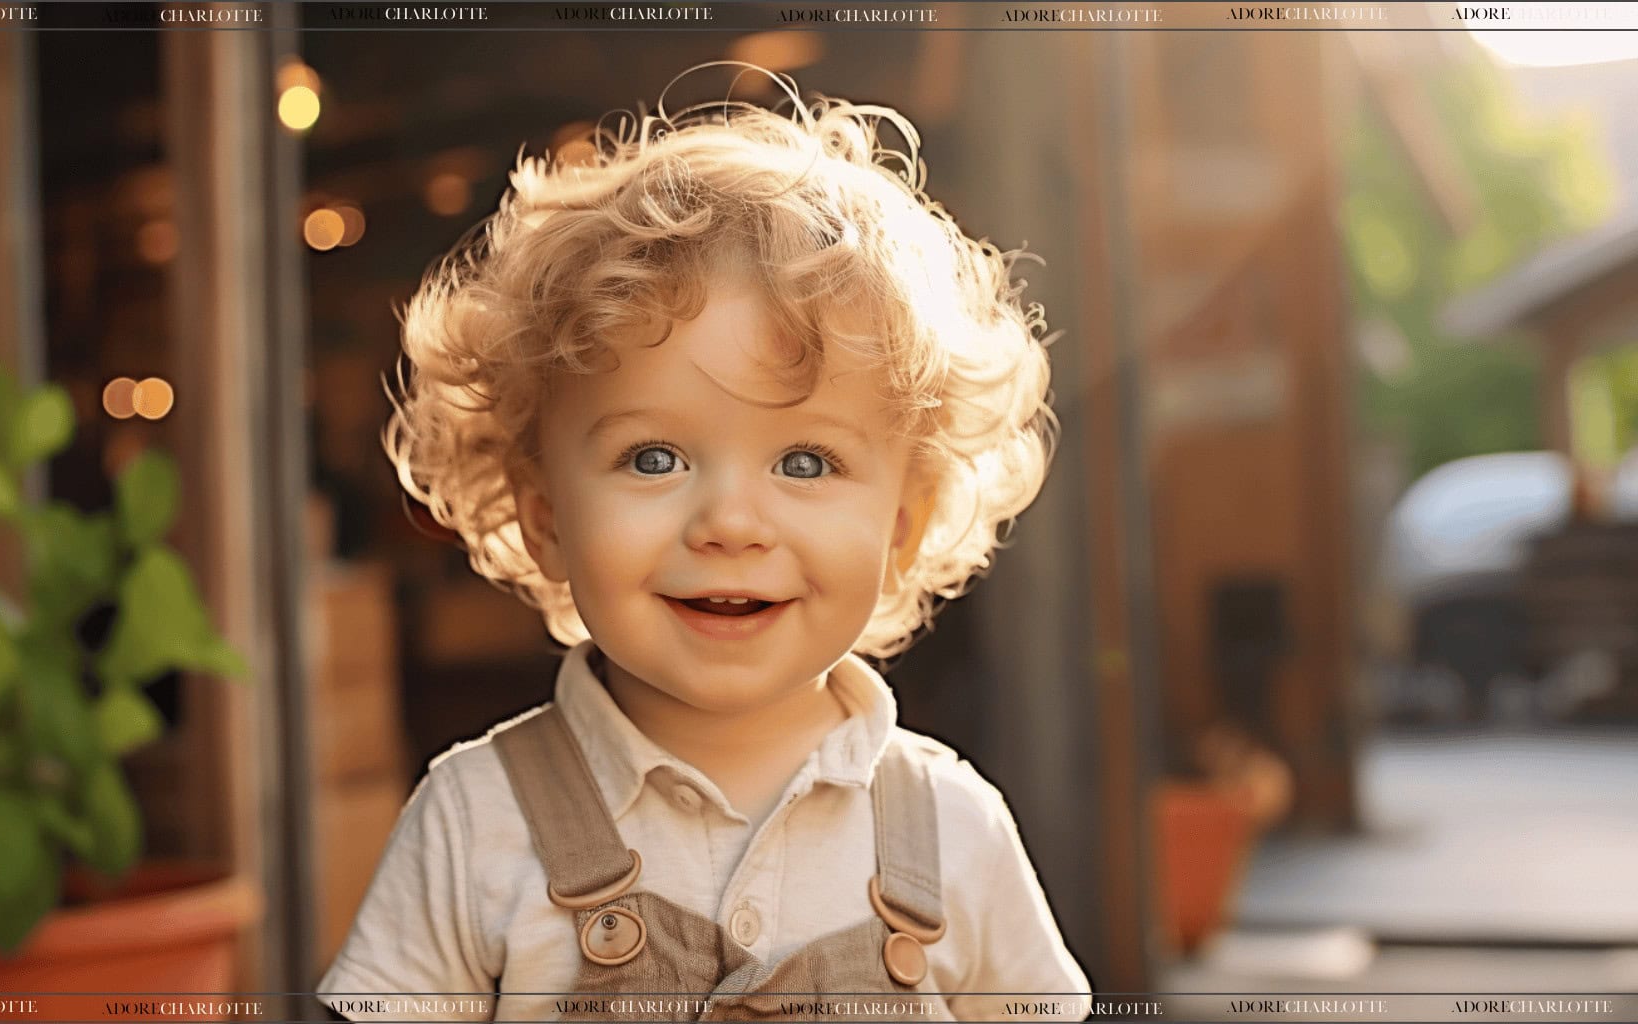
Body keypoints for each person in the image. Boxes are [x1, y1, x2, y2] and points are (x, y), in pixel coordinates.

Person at [318, 66, 1090, 1021]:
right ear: (547, 517)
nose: (730, 521)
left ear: (905, 524)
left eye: (806, 463)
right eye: (653, 457)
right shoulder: (476, 822)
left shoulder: (951, 829)